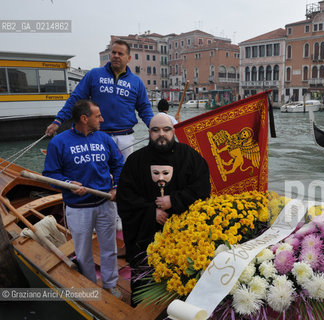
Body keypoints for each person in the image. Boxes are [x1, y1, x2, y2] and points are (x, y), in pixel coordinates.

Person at [116, 113, 211, 305]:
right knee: (144, 283)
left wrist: (174, 201)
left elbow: (202, 189)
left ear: (173, 131)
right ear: (149, 132)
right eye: (156, 130)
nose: (161, 134)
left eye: (166, 130)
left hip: (182, 235)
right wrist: (152, 211)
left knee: (182, 283)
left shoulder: (191, 157)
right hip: (144, 235)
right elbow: (125, 198)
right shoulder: (135, 161)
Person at [43, 99, 124, 298]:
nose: (102, 119)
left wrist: (116, 187)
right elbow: (50, 174)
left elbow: (119, 165)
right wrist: (68, 182)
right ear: (84, 118)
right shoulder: (59, 142)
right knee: (83, 252)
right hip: (78, 209)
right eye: (98, 116)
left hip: (105, 203)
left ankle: (110, 284)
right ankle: (89, 285)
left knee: (109, 248)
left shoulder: (105, 139)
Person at [45, 39, 154, 161]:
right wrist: (58, 120)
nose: (116, 56)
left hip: (125, 137)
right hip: (97, 135)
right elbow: (75, 98)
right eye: (114, 53)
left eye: (120, 54)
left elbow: (144, 108)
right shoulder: (94, 75)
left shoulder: (136, 82)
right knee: (97, 172)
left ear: (128, 58)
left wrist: (154, 126)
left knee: (124, 173)